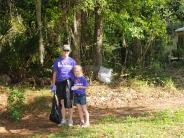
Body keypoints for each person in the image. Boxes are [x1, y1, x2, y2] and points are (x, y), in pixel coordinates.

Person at [51, 44, 76, 127]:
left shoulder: (72, 61)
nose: (66, 52)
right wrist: (53, 85)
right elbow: (54, 73)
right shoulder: (57, 61)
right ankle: (63, 120)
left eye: (67, 51)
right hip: (59, 83)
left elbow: (75, 73)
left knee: (69, 102)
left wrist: (77, 83)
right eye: (64, 50)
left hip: (69, 83)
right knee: (61, 102)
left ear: (69, 51)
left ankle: (70, 120)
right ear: (62, 51)